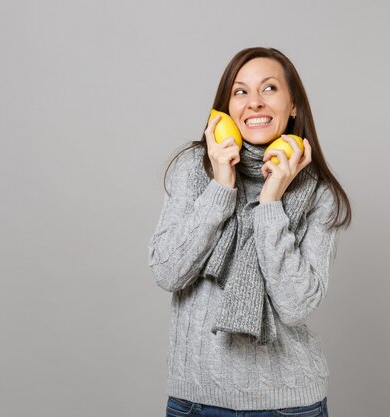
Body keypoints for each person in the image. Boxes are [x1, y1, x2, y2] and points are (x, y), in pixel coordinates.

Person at [148, 47, 351, 417]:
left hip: (288, 405)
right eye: (241, 92)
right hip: (195, 402)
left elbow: (295, 305)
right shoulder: (194, 169)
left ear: (293, 105)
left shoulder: (319, 193)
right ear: (226, 108)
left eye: (269, 88)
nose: (254, 102)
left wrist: (272, 201)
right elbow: (167, 271)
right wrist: (221, 187)